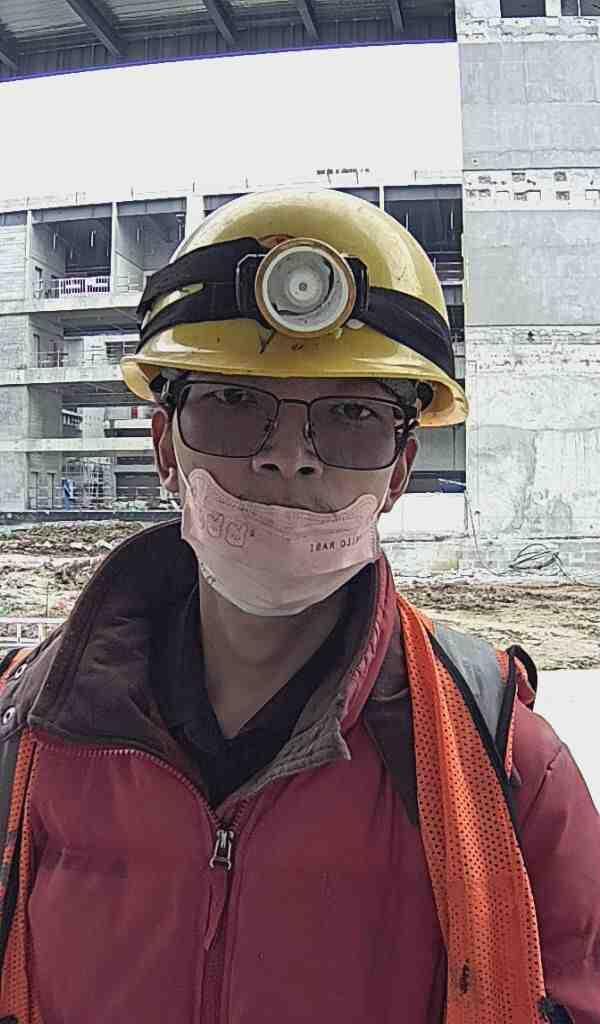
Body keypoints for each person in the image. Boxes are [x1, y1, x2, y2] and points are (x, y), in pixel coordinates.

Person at [0, 189, 597, 1024]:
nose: (289, 459)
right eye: (234, 403)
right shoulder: (26, 736)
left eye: (351, 415)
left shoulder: (507, 775)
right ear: (164, 447)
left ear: (398, 472)